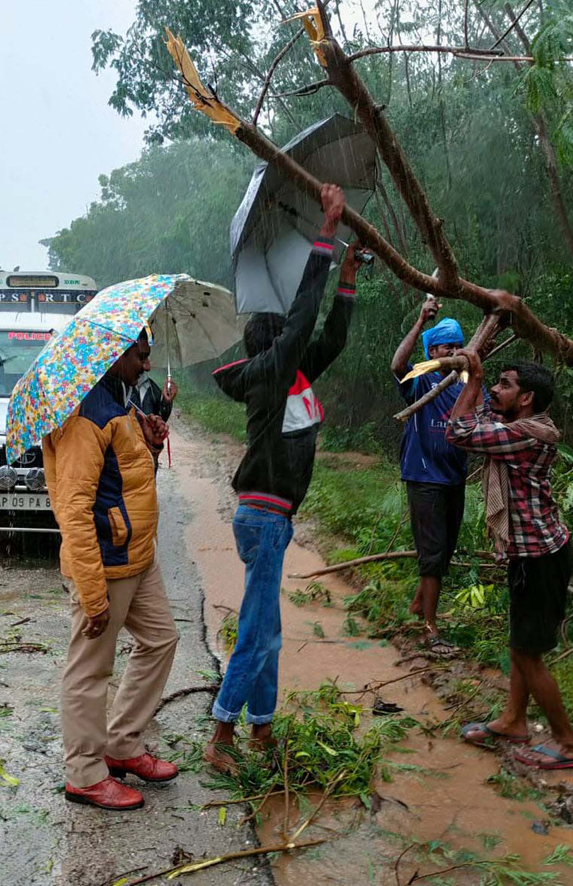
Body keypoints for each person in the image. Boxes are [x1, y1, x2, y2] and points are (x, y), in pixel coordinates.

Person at [203, 184, 368, 771]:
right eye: (289, 339)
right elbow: (303, 319)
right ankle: (222, 734)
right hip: (265, 517)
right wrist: (324, 233)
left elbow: (331, 337)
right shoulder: (271, 374)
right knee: (259, 632)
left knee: (267, 629)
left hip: (272, 518)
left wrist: (348, 272)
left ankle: (263, 732)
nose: (300, 346)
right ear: (276, 346)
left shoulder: (291, 378)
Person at [43, 330, 180, 810]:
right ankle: (84, 772)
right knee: (90, 669)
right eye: (141, 356)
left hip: (140, 558)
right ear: (115, 354)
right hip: (106, 563)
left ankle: (122, 745)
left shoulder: (118, 401)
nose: (146, 365)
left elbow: (126, 481)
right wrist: (92, 591)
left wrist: (149, 441)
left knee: (162, 639)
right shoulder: (84, 416)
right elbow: (74, 508)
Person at [445, 348, 573, 770]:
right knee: (520, 643)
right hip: (534, 554)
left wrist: (471, 381)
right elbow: (476, 422)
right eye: (495, 382)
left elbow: (458, 431)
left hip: (540, 557)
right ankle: (513, 720)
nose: (493, 388)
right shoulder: (520, 425)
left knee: (528, 653)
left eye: (504, 384)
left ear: (526, 398)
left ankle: (568, 744)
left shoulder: (526, 435)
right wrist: (477, 383)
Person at [390, 298, 482, 656]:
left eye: (459, 346)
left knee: (443, 552)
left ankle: (417, 605)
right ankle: (430, 628)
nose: (455, 352)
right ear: (433, 350)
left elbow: (481, 416)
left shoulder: (465, 382)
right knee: (431, 553)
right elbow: (398, 364)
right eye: (447, 346)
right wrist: (419, 321)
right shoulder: (423, 377)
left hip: (454, 477)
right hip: (424, 476)